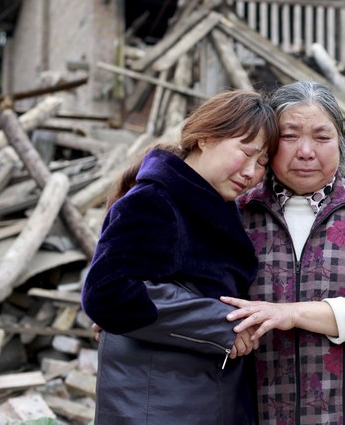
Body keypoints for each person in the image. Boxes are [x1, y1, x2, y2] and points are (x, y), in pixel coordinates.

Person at [220, 81, 345, 425]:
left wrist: (291, 314)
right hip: (254, 404)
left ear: (339, 142)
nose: (306, 151)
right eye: (290, 136)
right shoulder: (237, 211)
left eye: (322, 138)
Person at [81, 90, 278, 424]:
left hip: (195, 397)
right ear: (204, 138)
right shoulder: (155, 200)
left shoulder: (215, 206)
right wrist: (224, 324)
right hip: (156, 404)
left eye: (261, 164)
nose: (251, 172)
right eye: (246, 153)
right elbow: (107, 292)